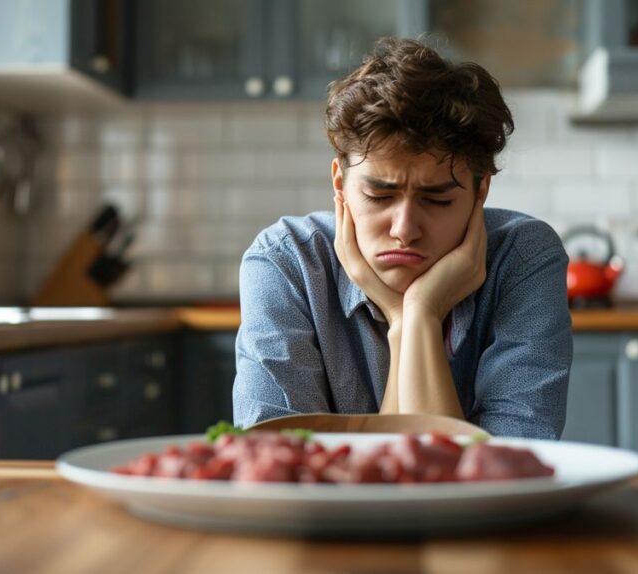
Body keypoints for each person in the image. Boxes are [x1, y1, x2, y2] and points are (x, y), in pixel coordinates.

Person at [232, 37, 572, 439]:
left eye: (437, 199)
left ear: (481, 192)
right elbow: (277, 463)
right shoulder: (286, 262)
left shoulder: (524, 257)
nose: (405, 229)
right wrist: (408, 318)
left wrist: (417, 314)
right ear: (340, 185)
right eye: (379, 196)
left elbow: (506, 469)